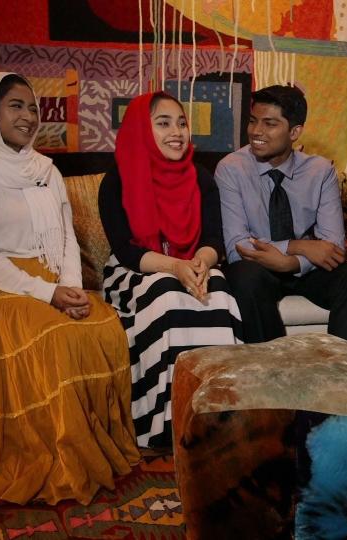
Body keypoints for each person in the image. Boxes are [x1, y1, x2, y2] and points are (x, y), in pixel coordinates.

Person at [0, 72, 139, 504]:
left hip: (51, 277)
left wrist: (70, 287)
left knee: (102, 326)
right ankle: (59, 460)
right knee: (58, 336)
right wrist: (47, 296)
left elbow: (65, 237)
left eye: (33, 107)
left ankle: (98, 450)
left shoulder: (46, 169)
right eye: (15, 106)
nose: (29, 116)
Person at [99, 91, 243, 448]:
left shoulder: (201, 178)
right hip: (135, 269)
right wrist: (176, 267)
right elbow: (127, 251)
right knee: (165, 293)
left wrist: (201, 263)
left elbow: (214, 239)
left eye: (181, 123)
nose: (176, 132)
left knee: (220, 291)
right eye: (163, 123)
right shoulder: (117, 179)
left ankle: (219, 420)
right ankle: (163, 424)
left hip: (192, 263)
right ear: (141, 130)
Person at [216, 85, 347, 344]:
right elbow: (238, 247)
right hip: (257, 269)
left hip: (305, 270)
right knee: (245, 276)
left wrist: (290, 263)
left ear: (295, 131)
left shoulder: (320, 171)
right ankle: (272, 372)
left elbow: (333, 248)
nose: (256, 131)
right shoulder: (231, 168)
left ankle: (346, 375)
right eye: (253, 121)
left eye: (269, 124)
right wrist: (298, 246)